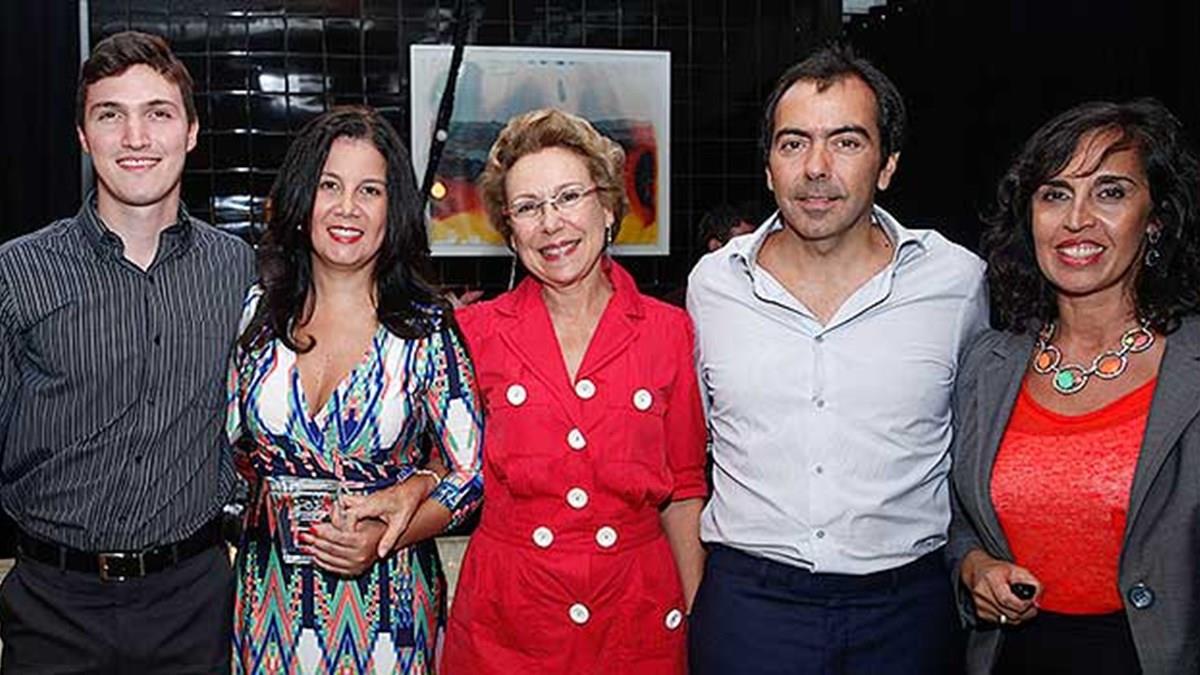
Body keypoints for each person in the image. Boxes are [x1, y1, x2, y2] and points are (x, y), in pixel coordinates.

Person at [686, 45, 988, 674]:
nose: (816, 168)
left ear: (888, 165)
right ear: (768, 167)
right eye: (793, 143)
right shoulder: (713, 286)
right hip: (750, 607)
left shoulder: (956, 281)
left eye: (846, 142)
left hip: (907, 610)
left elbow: (980, 445)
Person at [0, 31, 254, 673]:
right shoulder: (17, 273)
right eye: (110, 115)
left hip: (195, 606)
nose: (135, 138)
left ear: (190, 132)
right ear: (83, 136)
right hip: (52, 607)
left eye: (158, 114)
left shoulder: (238, 270)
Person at [439, 108, 708, 674]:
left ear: (607, 207)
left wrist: (694, 617)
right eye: (528, 207)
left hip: (634, 619)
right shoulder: (473, 335)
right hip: (508, 623)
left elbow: (684, 491)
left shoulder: (668, 331)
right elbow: (443, 472)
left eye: (568, 197)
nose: (551, 223)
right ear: (510, 231)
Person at [226, 106, 483, 674]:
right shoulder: (257, 316)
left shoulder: (424, 330)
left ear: (394, 209)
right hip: (268, 607)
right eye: (330, 186)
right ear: (303, 200)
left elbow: (471, 475)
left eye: (370, 190)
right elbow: (224, 446)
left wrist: (390, 534)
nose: (348, 207)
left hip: (389, 610)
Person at [949, 99, 1200, 675]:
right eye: (1055, 194)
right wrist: (972, 568)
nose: (1076, 220)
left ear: (1156, 219)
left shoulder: (1190, 365)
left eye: (1110, 192)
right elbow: (958, 520)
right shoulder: (987, 365)